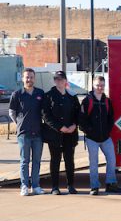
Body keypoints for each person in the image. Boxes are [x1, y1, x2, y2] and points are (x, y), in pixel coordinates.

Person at [79, 76, 121, 195]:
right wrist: (89, 131)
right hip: (92, 139)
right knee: (93, 163)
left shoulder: (107, 101)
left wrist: (107, 131)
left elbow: (111, 118)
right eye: (97, 85)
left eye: (102, 85)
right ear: (93, 86)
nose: (100, 88)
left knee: (111, 160)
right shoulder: (86, 101)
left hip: (105, 138)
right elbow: (82, 120)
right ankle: (94, 187)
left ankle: (111, 184)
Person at [42, 70, 81, 195]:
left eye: (61, 79)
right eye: (56, 79)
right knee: (55, 160)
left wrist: (75, 125)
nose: (59, 81)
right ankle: (55, 187)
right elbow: (46, 116)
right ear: (54, 81)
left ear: (65, 81)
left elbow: (78, 114)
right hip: (55, 135)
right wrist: (60, 127)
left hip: (70, 134)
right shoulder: (48, 96)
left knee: (69, 160)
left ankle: (70, 185)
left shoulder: (72, 96)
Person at [8, 68, 45, 196]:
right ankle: (24, 185)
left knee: (36, 161)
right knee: (24, 161)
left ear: (34, 78)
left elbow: (44, 112)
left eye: (31, 77)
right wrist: (19, 123)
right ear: (22, 79)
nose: (29, 79)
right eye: (27, 77)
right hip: (23, 134)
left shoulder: (40, 93)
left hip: (38, 133)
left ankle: (35, 186)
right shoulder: (17, 94)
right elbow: (12, 112)